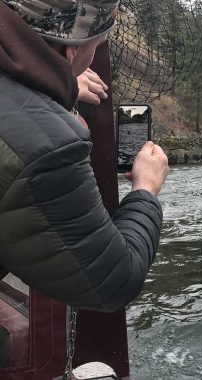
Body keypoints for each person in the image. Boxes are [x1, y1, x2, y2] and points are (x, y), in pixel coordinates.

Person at [0, 0, 169, 313]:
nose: (98, 49)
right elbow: (116, 281)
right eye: (97, 42)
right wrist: (146, 188)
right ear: (72, 51)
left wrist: (57, 84)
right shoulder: (48, 149)